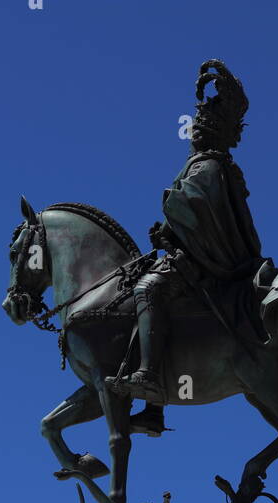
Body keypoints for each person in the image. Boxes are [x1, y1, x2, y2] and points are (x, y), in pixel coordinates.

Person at [106, 60, 262, 409]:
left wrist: (168, 223)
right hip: (197, 255)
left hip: (204, 263)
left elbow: (192, 207)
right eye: (196, 126)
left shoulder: (208, 165)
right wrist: (167, 229)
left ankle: (147, 377)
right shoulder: (214, 165)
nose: (195, 131)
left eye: (201, 127)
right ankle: (152, 410)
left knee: (148, 289)